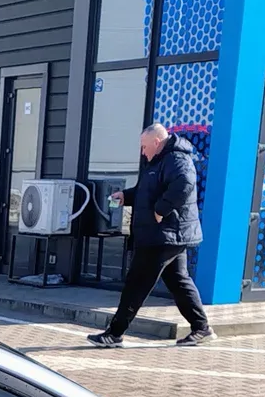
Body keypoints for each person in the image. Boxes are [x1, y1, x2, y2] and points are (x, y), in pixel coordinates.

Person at [89, 123, 213, 348]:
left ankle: (114, 334)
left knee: (137, 282)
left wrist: (160, 210)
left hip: (164, 234)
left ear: (157, 142)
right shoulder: (157, 161)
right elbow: (145, 192)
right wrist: (125, 196)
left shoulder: (177, 159)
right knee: (178, 281)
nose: (142, 151)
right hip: (167, 235)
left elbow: (184, 185)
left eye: (144, 146)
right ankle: (201, 327)